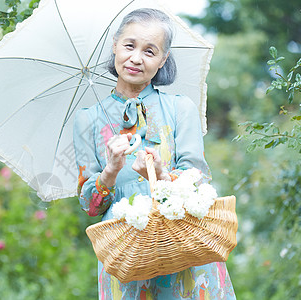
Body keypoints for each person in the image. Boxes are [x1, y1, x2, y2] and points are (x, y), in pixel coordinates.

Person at [73, 8, 236, 299]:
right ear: (114, 46)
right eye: (129, 45)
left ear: (163, 60)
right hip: (126, 258)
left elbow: (200, 183)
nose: (136, 58)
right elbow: (90, 206)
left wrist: (162, 174)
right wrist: (110, 170)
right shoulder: (88, 119)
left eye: (150, 51)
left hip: (183, 249)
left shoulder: (180, 108)